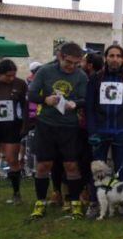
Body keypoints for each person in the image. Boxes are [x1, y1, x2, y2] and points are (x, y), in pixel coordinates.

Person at [27, 42, 88, 219]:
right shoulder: (45, 71)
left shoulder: (81, 76)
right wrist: (45, 99)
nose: (72, 67)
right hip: (46, 124)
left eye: (77, 63)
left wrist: (75, 103)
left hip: (69, 126)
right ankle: (40, 202)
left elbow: (86, 99)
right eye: (69, 62)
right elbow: (31, 94)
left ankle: (75, 202)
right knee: (44, 165)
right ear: (60, 56)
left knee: (71, 165)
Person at [85, 44, 123, 189]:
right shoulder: (95, 78)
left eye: (118, 56)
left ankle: (122, 202)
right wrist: (92, 131)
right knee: (98, 170)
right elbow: (89, 107)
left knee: (122, 170)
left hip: (121, 131)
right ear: (106, 58)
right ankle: (95, 202)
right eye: (111, 56)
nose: (115, 59)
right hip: (100, 131)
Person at [0, 60, 28, 205]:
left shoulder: (20, 84)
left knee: (11, 159)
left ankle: (16, 194)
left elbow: (26, 106)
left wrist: (25, 125)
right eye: (8, 76)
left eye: (13, 75)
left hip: (12, 126)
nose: (11, 78)